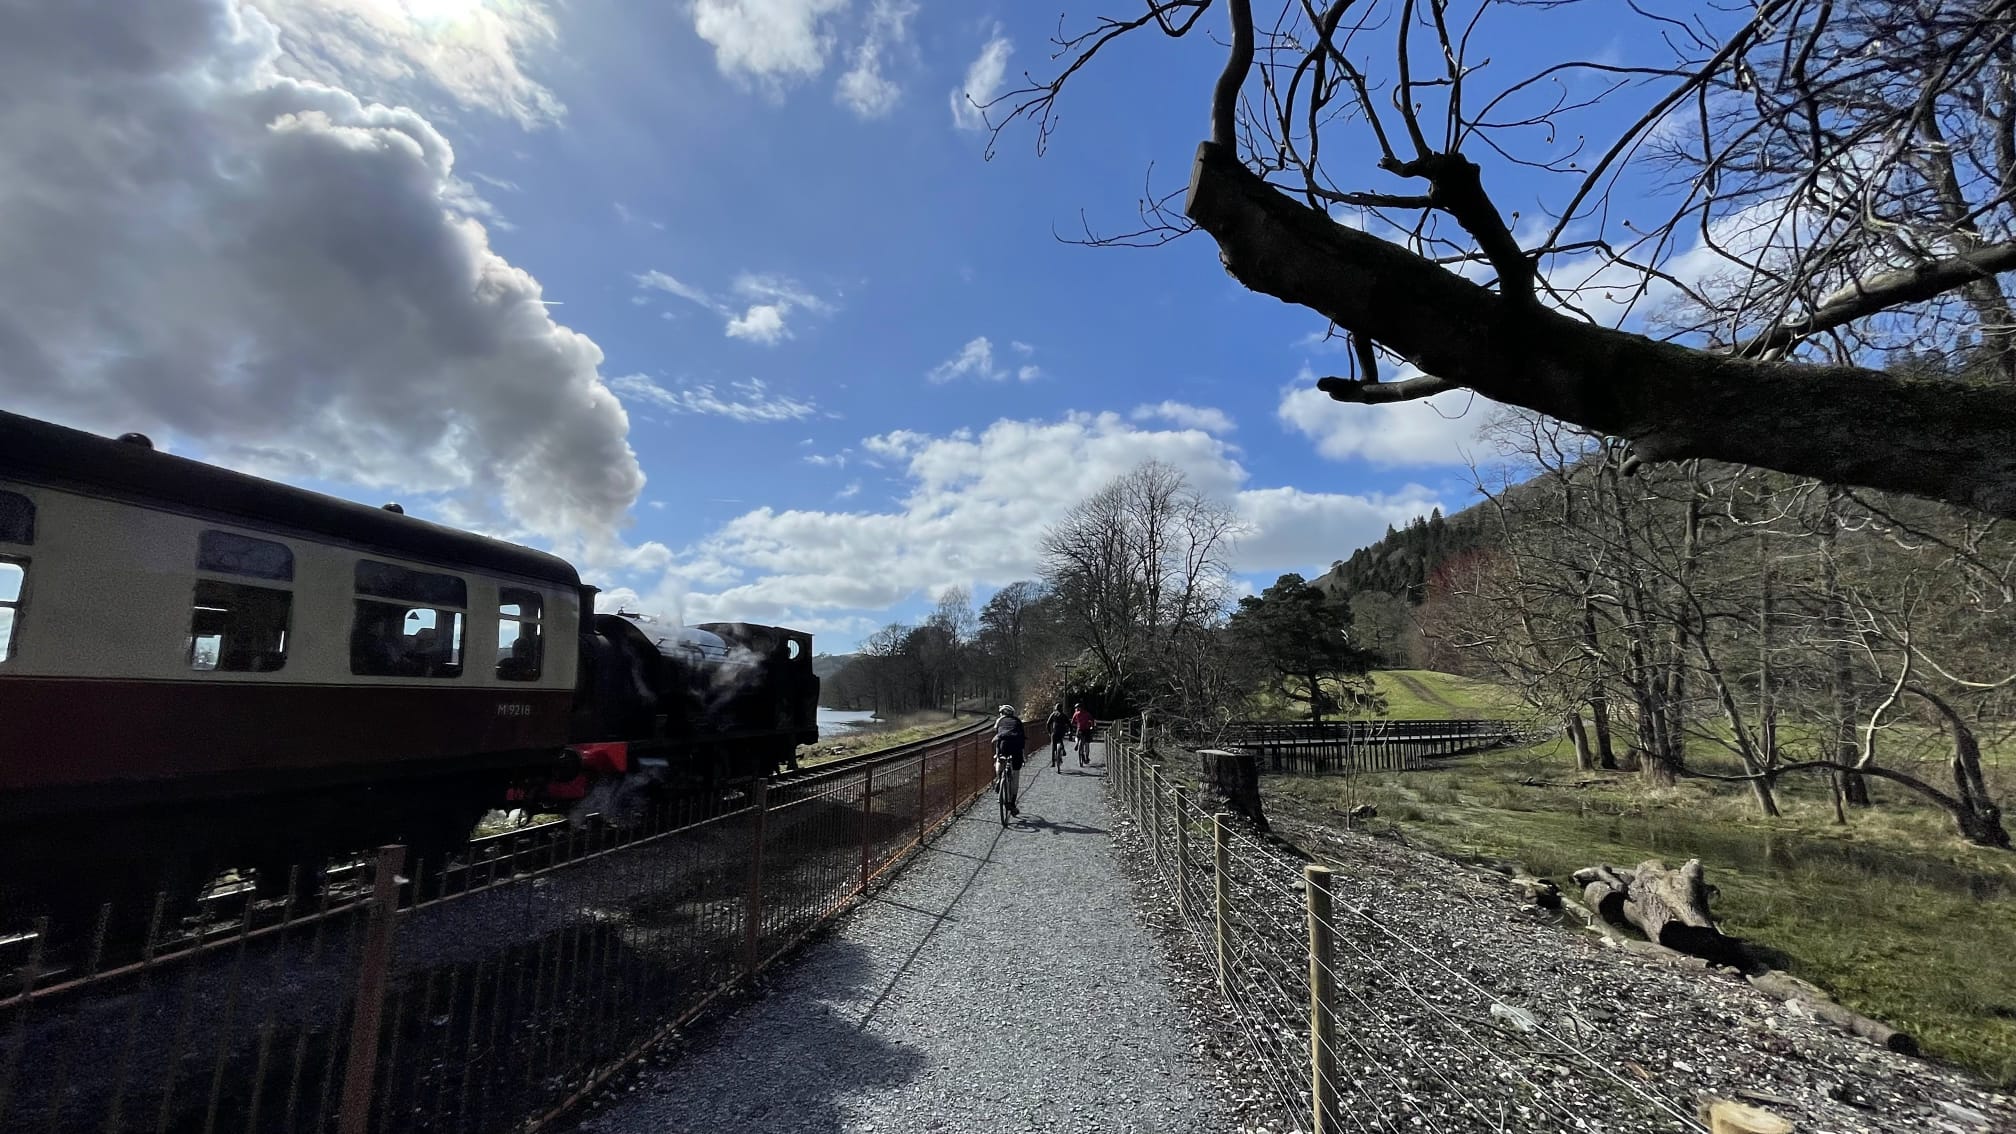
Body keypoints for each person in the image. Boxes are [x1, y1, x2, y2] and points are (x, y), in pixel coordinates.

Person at [993, 705, 1026, 816]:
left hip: (1004, 745)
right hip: (1016, 745)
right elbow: (1022, 738)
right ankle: (1012, 803)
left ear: (1002, 713)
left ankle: (999, 776)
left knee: (999, 757)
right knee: (1015, 773)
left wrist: (997, 754)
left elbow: (997, 736)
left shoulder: (999, 721)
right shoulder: (1017, 721)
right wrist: (1023, 756)